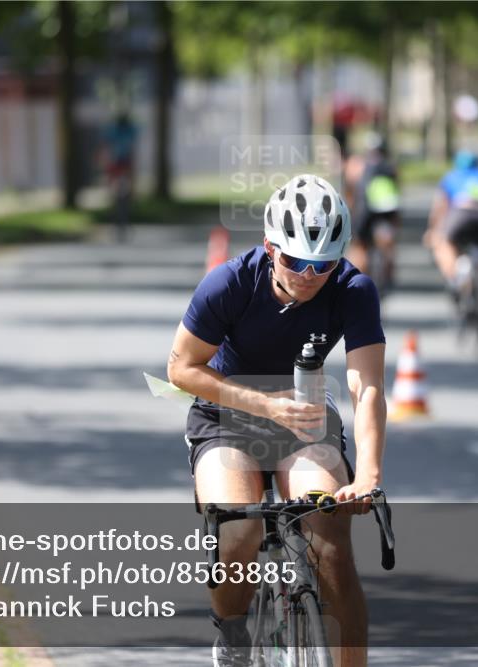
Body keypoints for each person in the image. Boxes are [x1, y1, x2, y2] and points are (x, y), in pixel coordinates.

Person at [167, 174, 387, 667]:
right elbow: (180, 368)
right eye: (294, 260)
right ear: (270, 247)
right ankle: (232, 634)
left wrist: (369, 475)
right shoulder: (229, 282)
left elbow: (366, 386)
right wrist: (265, 405)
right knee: (239, 532)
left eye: (323, 264)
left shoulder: (353, 290)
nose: (309, 274)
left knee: (330, 544)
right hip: (225, 418)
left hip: (305, 421)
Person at [423, 150, 478, 329]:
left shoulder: (451, 177)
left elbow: (440, 207)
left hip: (461, 215)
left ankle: (455, 278)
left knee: (444, 243)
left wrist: (433, 230)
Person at [344, 133, 401, 290]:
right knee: (389, 243)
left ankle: (355, 282)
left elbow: (350, 192)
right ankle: (389, 273)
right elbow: (397, 192)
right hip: (388, 211)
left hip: (364, 211)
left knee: (359, 246)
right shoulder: (391, 167)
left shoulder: (356, 165)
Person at [101, 112, 138, 242]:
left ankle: (119, 223)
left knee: (118, 196)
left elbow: (107, 151)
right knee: (122, 196)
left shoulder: (113, 133)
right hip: (121, 166)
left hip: (118, 167)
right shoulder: (127, 133)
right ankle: (120, 223)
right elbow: (131, 151)